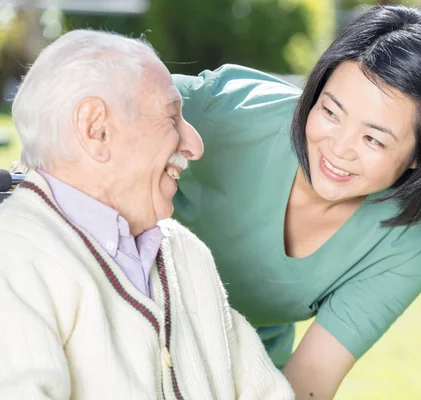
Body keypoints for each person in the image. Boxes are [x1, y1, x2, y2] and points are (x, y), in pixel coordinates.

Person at [172, 5, 421, 399]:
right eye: (331, 112)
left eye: (374, 139)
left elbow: (310, 381)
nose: (338, 149)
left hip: (236, 375)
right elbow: (93, 91)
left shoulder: (409, 240)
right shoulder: (229, 111)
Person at [0, 30, 294, 399]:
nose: (195, 144)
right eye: (172, 117)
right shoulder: (14, 258)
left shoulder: (186, 253)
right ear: (97, 130)